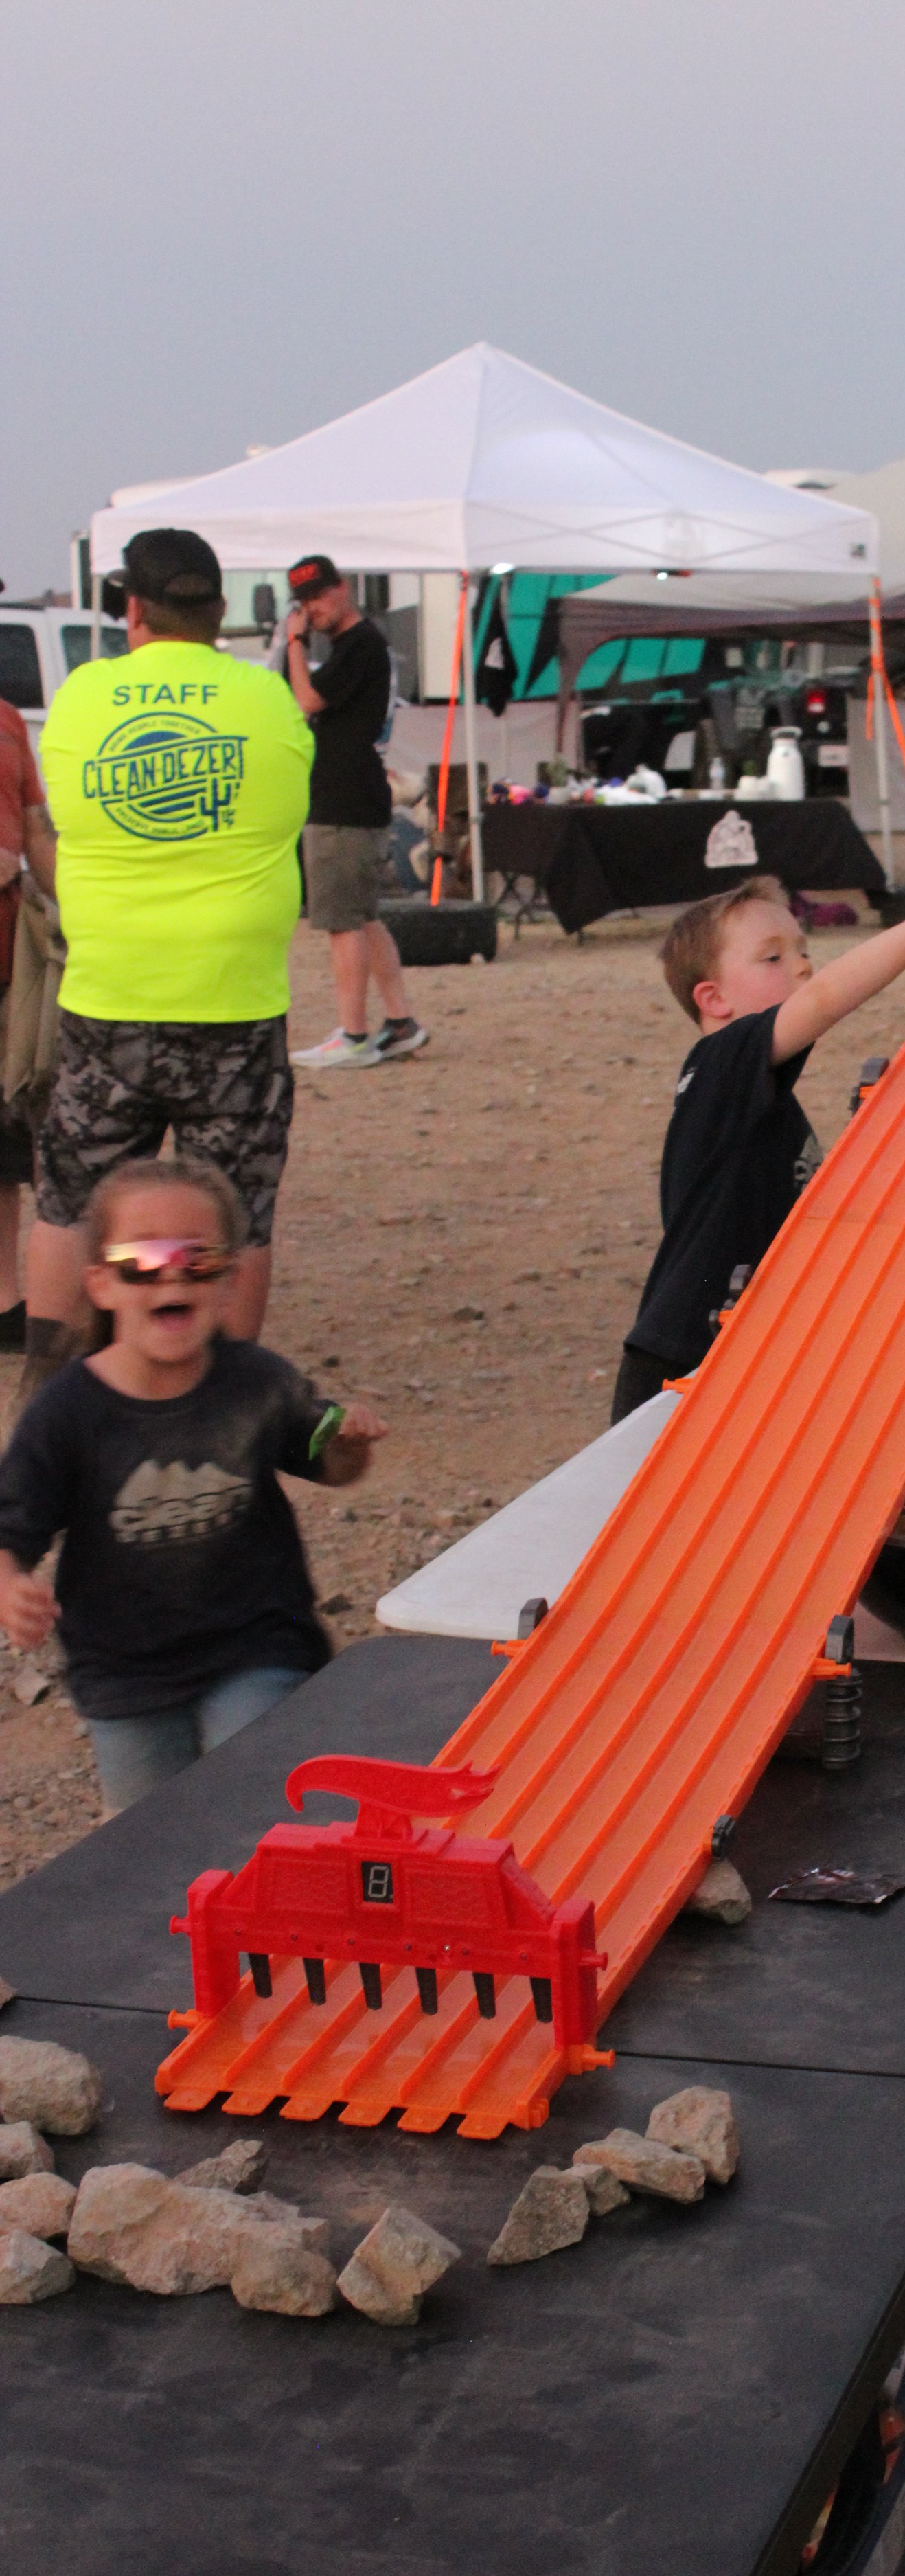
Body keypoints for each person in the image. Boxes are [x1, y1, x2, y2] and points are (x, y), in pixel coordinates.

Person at [0, 1155, 385, 1814]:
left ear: (229, 1281)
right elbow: (12, 1526)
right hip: (125, 1669)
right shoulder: (68, 1413)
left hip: (256, 1643)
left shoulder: (257, 1382)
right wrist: (10, 1586)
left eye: (197, 1259)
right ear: (101, 1283)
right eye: (142, 1261)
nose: (171, 1275)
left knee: (264, 1795)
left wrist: (348, 1447)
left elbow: (326, 1462)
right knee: (153, 1833)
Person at [27, 528, 312, 1412]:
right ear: (221, 612)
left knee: (72, 1200)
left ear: (132, 609)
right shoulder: (268, 699)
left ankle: (48, 1399)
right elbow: (285, 815)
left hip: (110, 995)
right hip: (235, 996)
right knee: (236, 1211)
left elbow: (69, 818)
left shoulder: (83, 697)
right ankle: (219, 1410)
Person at [612, 879, 905, 1421]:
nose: (803, 967)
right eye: (773, 957)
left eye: (804, 951)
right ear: (714, 999)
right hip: (683, 1362)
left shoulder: (760, 1100)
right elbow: (824, 998)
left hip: (740, 1359)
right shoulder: (719, 1063)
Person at [282, 554, 428, 1071]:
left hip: (343, 799)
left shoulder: (360, 644)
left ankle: (354, 1034)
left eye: (318, 596)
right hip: (355, 795)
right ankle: (400, 1022)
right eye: (303, 602)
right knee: (363, 917)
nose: (312, 609)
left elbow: (306, 701)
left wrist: (295, 643)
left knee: (342, 922)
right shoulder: (355, 647)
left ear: (342, 588)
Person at [0, 702, 58, 1348]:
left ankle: (9, 1303)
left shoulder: (8, 721)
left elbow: (35, 828)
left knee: (12, 1133)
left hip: (7, 952)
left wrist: (69, 915)